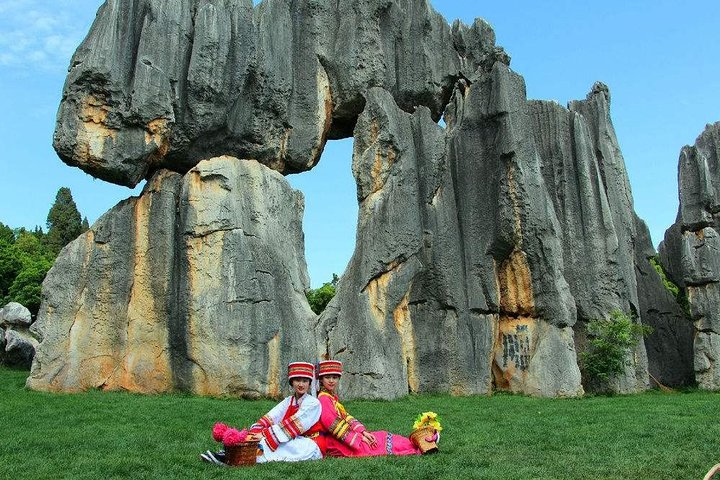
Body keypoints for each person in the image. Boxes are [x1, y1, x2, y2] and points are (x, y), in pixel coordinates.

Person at [201, 361, 323, 465]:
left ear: (309, 383)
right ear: (292, 382)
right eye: (297, 380)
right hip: (290, 437)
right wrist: (256, 430)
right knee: (263, 440)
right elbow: (272, 416)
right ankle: (230, 452)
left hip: (310, 443)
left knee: (268, 443)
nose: (301, 384)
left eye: (305, 381)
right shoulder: (288, 401)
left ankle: (233, 459)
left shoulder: (313, 403)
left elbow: (295, 423)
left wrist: (264, 434)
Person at [314, 359, 421, 457]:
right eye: (327, 377)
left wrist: (363, 432)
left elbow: (345, 416)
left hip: (343, 436)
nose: (331, 381)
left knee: (380, 436)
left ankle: (414, 443)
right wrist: (360, 438)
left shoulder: (331, 397)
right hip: (335, 441)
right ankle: (413, 447)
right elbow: (333, 425)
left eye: (335, 377)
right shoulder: (324, 399)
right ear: (321, 380)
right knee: (373, 445)